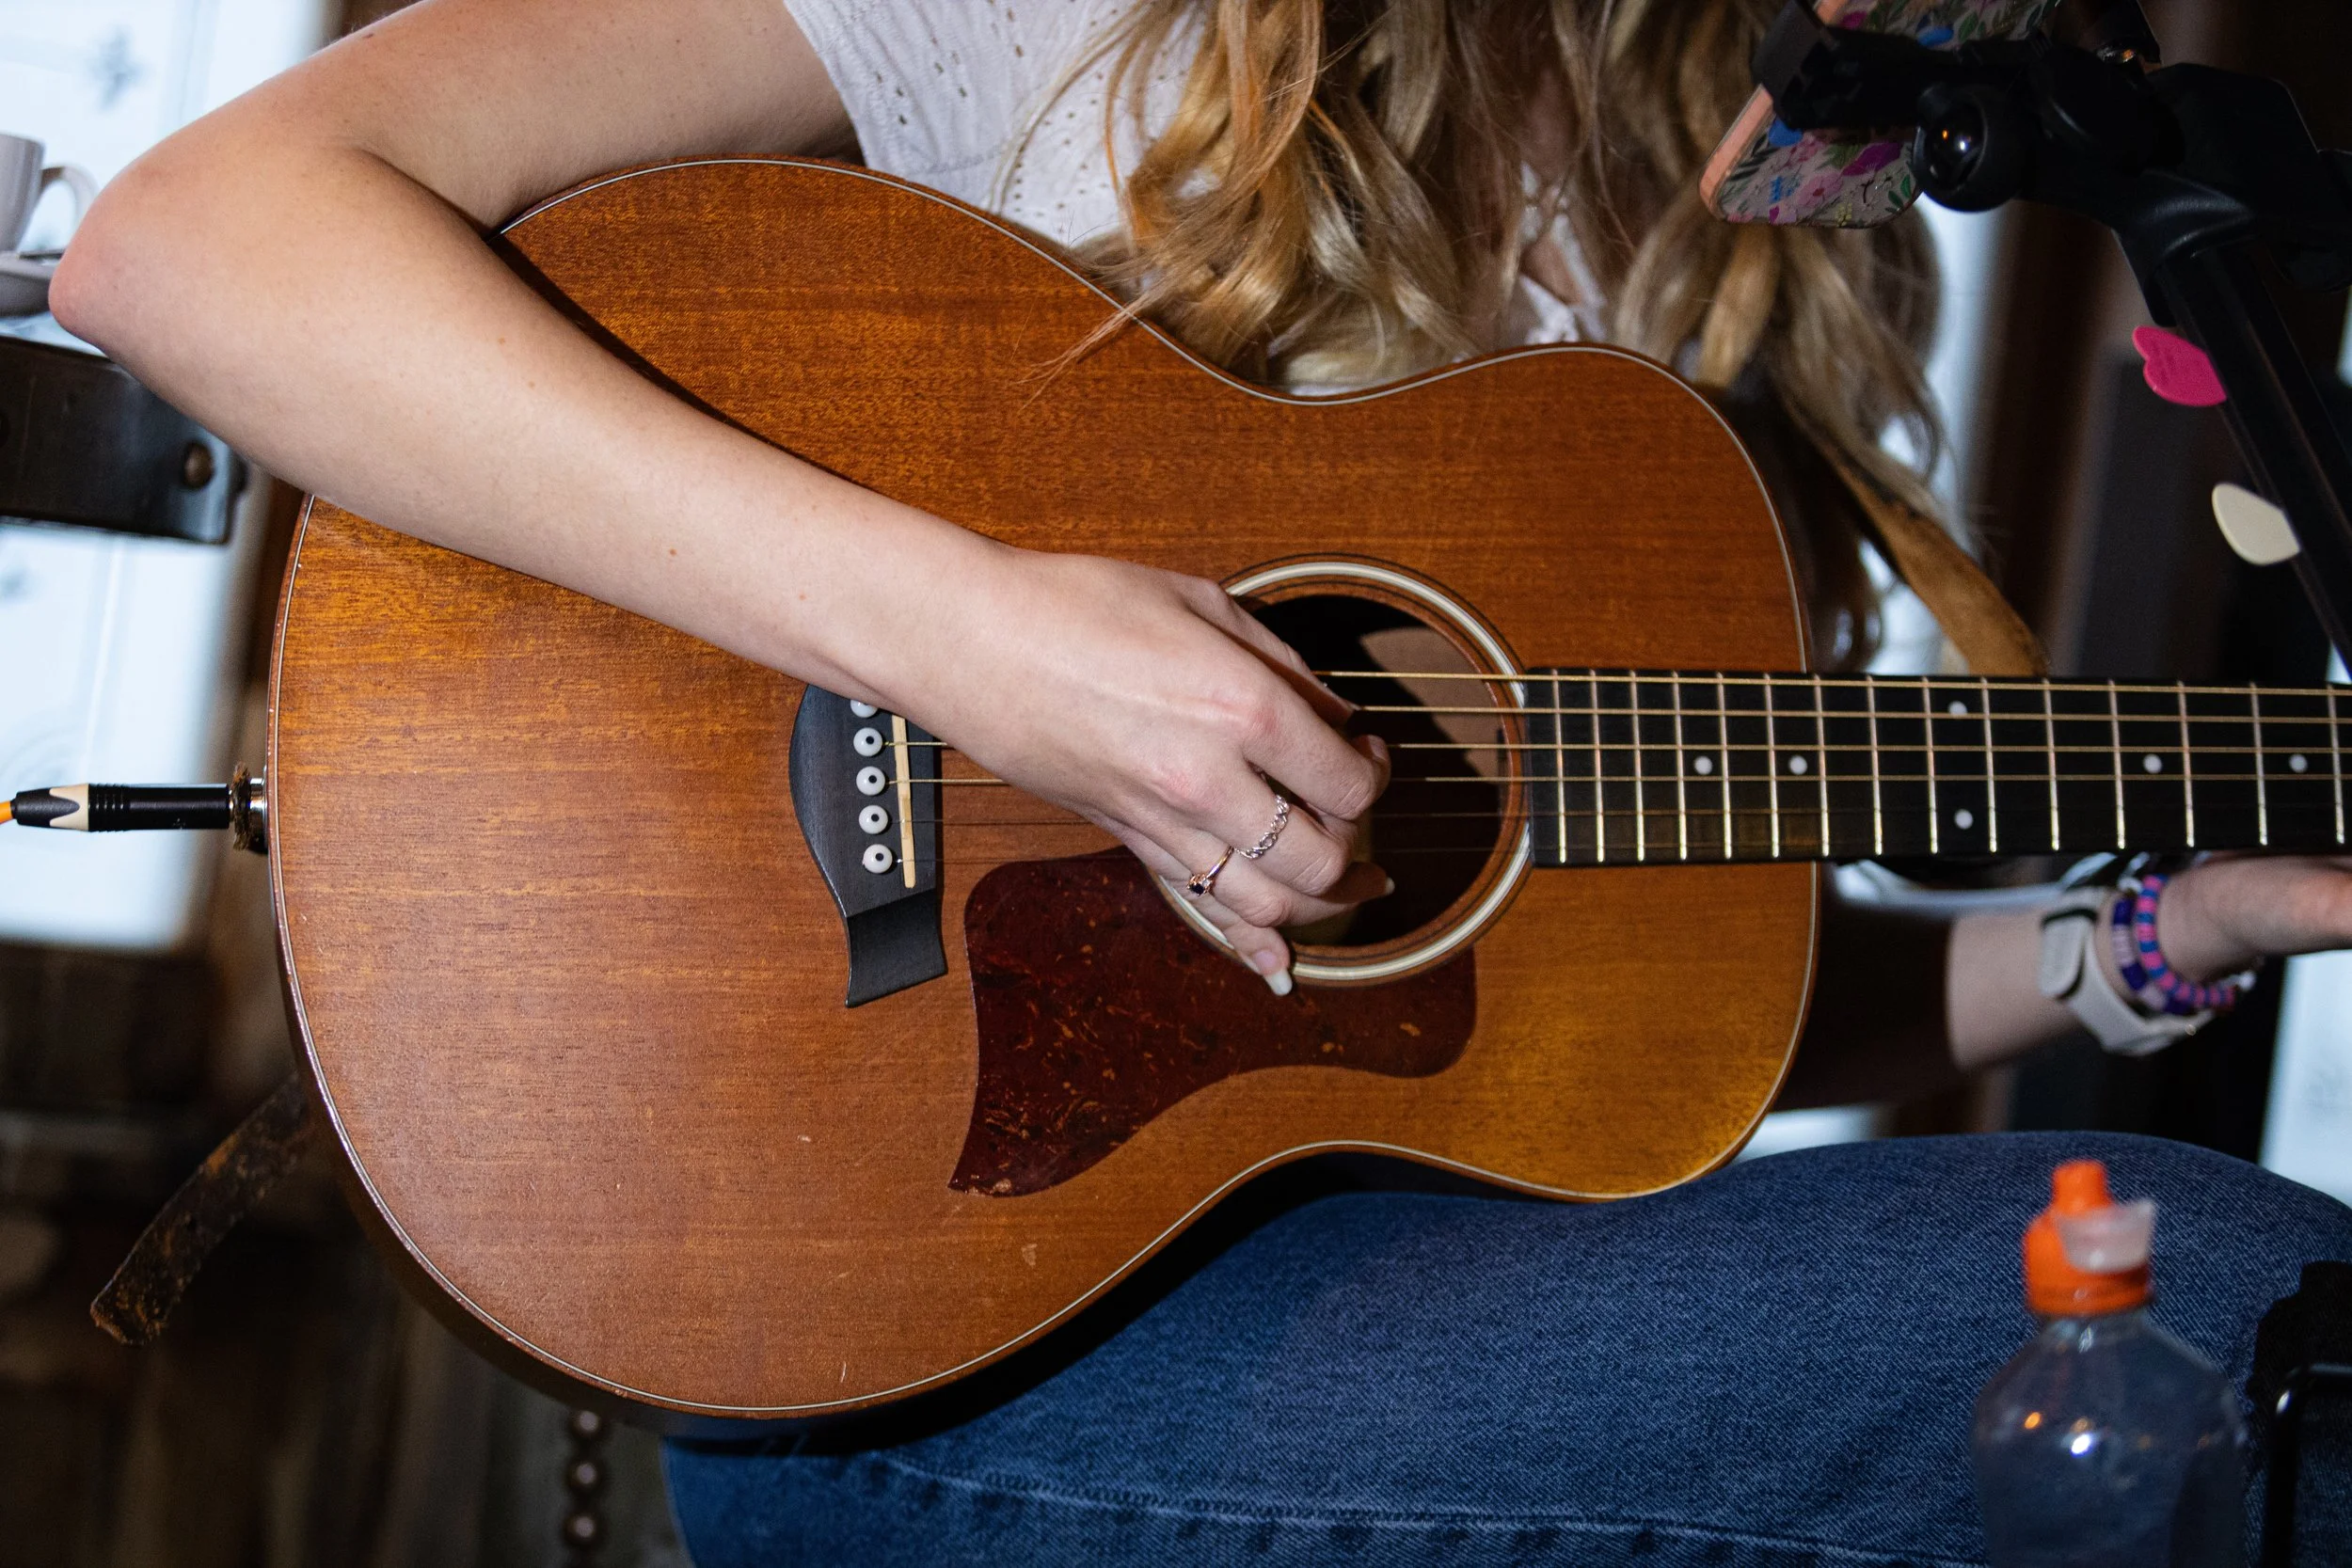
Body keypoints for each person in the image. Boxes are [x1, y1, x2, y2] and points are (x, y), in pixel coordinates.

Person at [48, 0, 2352, 1560]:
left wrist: (2168, 930)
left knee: (2195, 1306)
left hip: (1425, 1293)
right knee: (2233, 1314)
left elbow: (1631, 999)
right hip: (943, 1359)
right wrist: (969, 634)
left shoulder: (1725, 219)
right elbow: (199, 243)